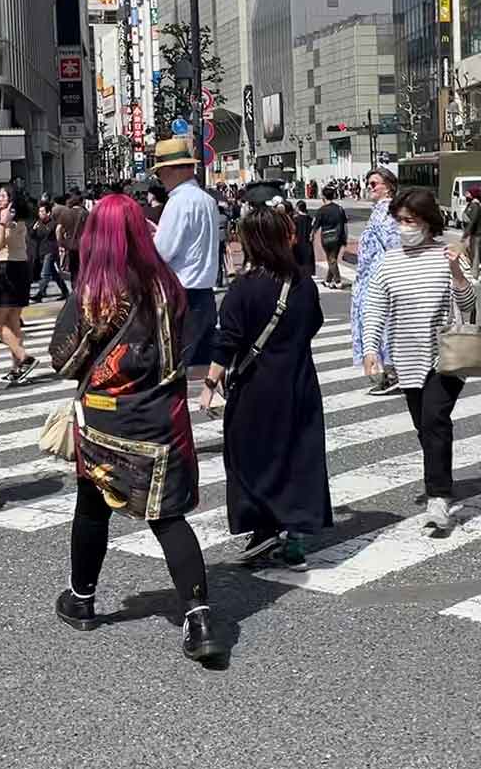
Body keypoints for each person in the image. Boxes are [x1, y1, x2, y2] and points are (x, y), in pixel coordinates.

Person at [48, 193, 223, 664]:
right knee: (166, 517)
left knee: (91, 505)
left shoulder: (98, 288)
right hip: (161, 415)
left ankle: (82, 598)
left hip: (108, 418)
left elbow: (64, 358)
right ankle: (199, 617)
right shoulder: (167, 284)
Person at [198, 204, 331, 568]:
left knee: (248, 456)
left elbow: (228, 340)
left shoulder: (244, 288)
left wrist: (210, 382)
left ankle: (264, 527)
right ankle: (293, 540)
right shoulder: (303, 282)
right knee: (297, 457)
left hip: (257, 387)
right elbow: (313, 325)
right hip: (300, 380)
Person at [361, 187, 478, 535]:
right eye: (399, 220)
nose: (403, 227)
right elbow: (375, 308)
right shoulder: (389, 262)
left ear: (427, 222)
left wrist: (457, 272)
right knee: (424, 426)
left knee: (435, 418)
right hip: (406, 358)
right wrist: (370, 350)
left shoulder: (448, 255)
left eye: (409, 220)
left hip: (446, 356)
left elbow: (469, 304)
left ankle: (438, 497)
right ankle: (439, 475)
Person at [149, 138, 221, 379]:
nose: (160, 179)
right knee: (202, 367)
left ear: (171, 171)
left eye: (160, 173)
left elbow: (163, 252)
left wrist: (149, 239)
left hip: (181, 294)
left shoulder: (178, 202)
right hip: (205, 293)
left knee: (177, 370)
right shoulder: (207, 200)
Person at [351, 167, 401, 396]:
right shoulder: (381, 211)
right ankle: (390, 372)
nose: (370, 187)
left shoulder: (386, 212)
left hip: (379, 280)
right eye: (369, 183)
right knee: (378, 325)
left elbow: (394, 247)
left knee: (381, 324)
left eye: (375, 183)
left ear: (388, 186)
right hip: (372, 278)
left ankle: (393, 373)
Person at [0, 186, 37, 384]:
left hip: (5, 269)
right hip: (21, 268)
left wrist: (0, 228)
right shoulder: (20, 218)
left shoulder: (6, 217)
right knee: (13, 321)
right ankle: (16, 368)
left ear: (11, 199)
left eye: (4, 195)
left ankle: (24, 357)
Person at [29, 200, 68, 301]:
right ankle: (65, 291)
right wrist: (33, 229)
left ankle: (40, 294)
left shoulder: (53, 224)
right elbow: (33, 236)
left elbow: (57, 235)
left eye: (42, 212)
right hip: (41, 251)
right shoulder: (38, 223)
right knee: (54, 274)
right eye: (39, 212)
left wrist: (60, 249)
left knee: (44, 274)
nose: (40, 214)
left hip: (50, 251)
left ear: (48, 213)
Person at [314, 186, 348, 289]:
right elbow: (345, 224)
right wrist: (345, 237)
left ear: (323, 197)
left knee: (331, 259)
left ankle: (338, 281)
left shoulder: (321, 210)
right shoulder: (339, 209)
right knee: (332, 258)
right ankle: (328, 280)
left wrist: (311, 236)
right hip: (338, 237)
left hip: (326, 237)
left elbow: (315, 226)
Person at [55, 190, 87, 285]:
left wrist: (61, 243)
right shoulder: (86, 213)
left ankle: (74, 289)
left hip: (71, 246)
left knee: (73, 271)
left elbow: (58, 229)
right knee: (83, 270)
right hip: (84, 247)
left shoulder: (66, 213)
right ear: (81, 202)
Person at [290, 200, 316, 279]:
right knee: (308, 263)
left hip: (298, 244)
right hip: (308, 244)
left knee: (298, 263)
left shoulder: (295, 220)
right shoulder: (310, 219)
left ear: (298, 208)